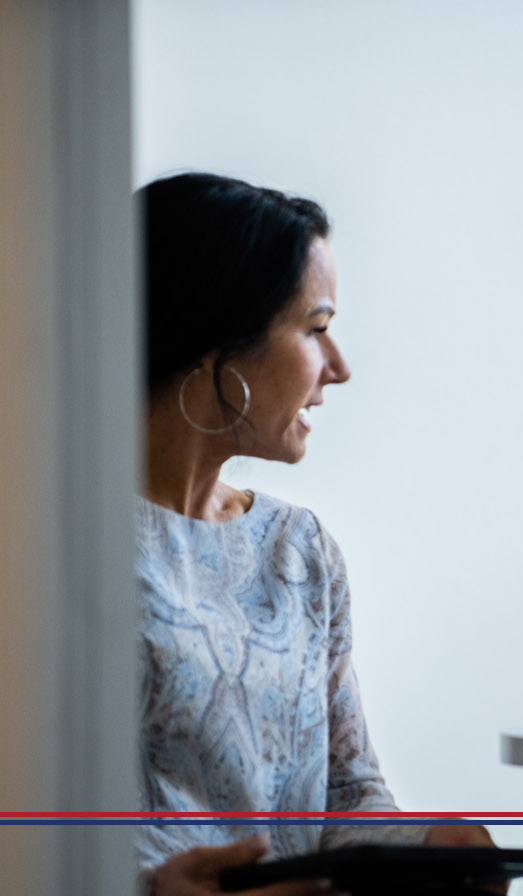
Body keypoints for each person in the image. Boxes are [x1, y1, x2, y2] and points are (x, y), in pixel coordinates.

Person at [136, 173, 497, 896]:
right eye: (316, 328)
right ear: (220, 341)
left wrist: (429, 847)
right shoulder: (47, 547)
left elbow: (346, 795)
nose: (339, 368)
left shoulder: (298, 550)